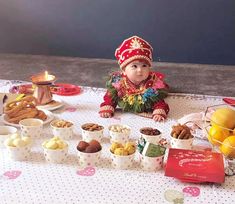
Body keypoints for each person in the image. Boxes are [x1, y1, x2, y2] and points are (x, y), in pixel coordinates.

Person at [99, 36, 169, 122]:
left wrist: (159, 111)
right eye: (134, 66)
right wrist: (108, 107)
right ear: (124, 70)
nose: (140, 70)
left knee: (158, 95)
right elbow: (110, 97)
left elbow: (159, 101)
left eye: (144, 66)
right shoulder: (118, 83)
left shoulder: (152, 85)